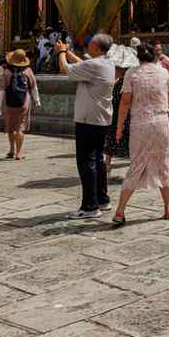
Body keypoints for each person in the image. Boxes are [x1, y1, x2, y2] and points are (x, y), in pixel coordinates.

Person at [110, 44, 169, 225]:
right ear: (155, 56)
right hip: (161, 122)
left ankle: (120, 211)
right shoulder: (163, 73)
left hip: (140, 123)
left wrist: (119, 127)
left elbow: (124, 102)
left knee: (136, 164)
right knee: (164, 164)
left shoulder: (131, 73)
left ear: (138, 58)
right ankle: (168, 208)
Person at [60, 33, 116, 219]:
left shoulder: (94, 65)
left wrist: (61, 52)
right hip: (101, 119)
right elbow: (81, 64)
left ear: (98, 48)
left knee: (86, 162)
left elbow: (66, 69)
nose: (88, 45)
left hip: (88, 120)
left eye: (91, 43)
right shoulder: (106, 63)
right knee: (97, 160)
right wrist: (68, 52)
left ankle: (90, 206)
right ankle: (102, 198)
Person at [0, 49, 38, 160]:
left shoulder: (6, 72)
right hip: (24, 102)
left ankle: (11, 150)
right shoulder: (28, 71)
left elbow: (2, 90)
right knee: (20, 127)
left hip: (8, 103)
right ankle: (19, 152)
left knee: (10, 127)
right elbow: (34, 87)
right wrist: (37, 100)